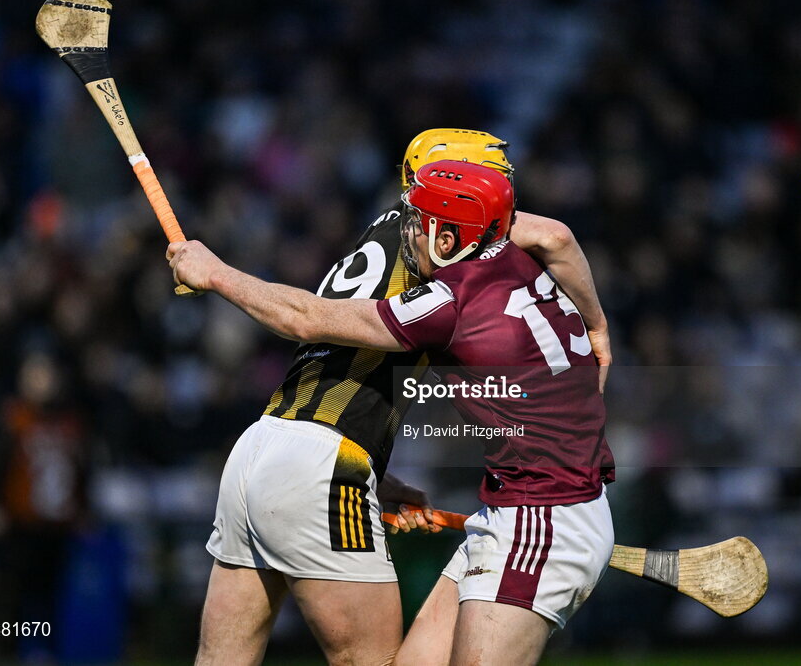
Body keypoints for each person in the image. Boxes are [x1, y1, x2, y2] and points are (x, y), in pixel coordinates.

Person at [183, 130, 611, 666]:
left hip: (261, 445)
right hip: (331, 463)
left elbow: (320, 336)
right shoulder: (466, 263)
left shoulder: (425, 259)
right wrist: (598, 326)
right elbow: (557, 237)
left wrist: (375, 478)